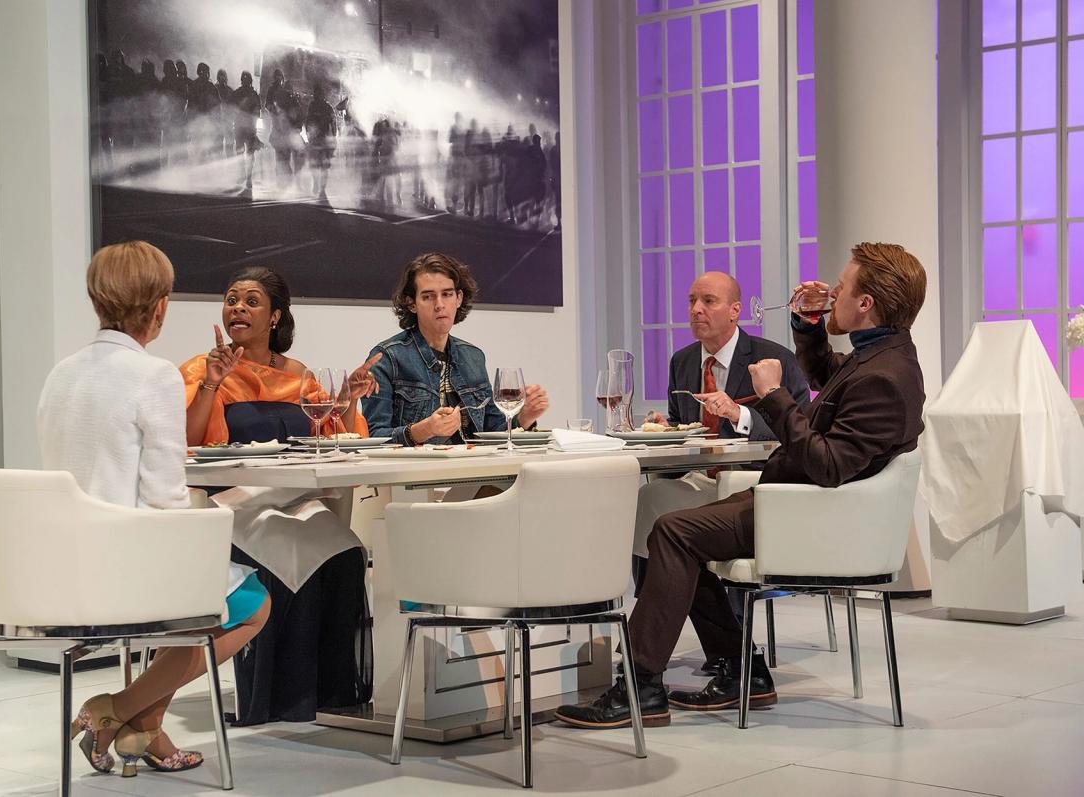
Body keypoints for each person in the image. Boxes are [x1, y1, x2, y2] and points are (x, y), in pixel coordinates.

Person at [555, 242, 928, 729]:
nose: (832, 291)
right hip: (797, 504)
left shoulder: (884, 375)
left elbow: (830, 465)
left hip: (810, 515)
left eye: (841, 287)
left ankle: (642, 687)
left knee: (672, 532)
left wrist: (773, 395)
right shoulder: (880, 356)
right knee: (682, 534)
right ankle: (741, 672)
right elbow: (829, 379)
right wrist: (809, 325)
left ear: (866, 302)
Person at [40, 241, 270, 776]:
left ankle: (146, 731)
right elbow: (167, 497)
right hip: (126, 565)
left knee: (210, 596)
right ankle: (114, 711)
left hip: (61, 567)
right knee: (252, 603)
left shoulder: (60, 374)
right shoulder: (154, 375)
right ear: (160, 306)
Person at [179, 266, 380, 723]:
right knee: (281, 550)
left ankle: (330, 694)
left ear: (274, 317)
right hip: (233, 501)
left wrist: (347, 399)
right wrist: (211, 383)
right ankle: (277, 698)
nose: (237, 308)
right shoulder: (203, 368)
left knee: (346, 552)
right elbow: (186, 442)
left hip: (293, 499)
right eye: (231, 299)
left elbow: (331, 436)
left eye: (251, 301)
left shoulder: (298, 375)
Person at [631, 272, 809, 591]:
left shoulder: (773, 359)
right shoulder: (682, 362)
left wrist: (737, 413)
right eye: (691, 301)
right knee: (647, 499)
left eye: (708, 301)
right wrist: (666, 428)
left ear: (734, 310)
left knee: (670, 513)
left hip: (753, 481)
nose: (696, 309)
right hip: (699, 479)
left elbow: (797, 429)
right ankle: (648, 607)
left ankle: (729, 623)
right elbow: (685, 428)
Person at [363, 252, 550, 445]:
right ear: (412, 304)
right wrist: (424, 430)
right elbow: (374, 437)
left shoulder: (473, 357)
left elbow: (493, 432)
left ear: (458, 298)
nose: (440, 305)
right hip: (416, 472)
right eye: (428, 297)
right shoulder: (387, 358)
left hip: (474, 468)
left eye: (447, 294)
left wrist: (524, 418)